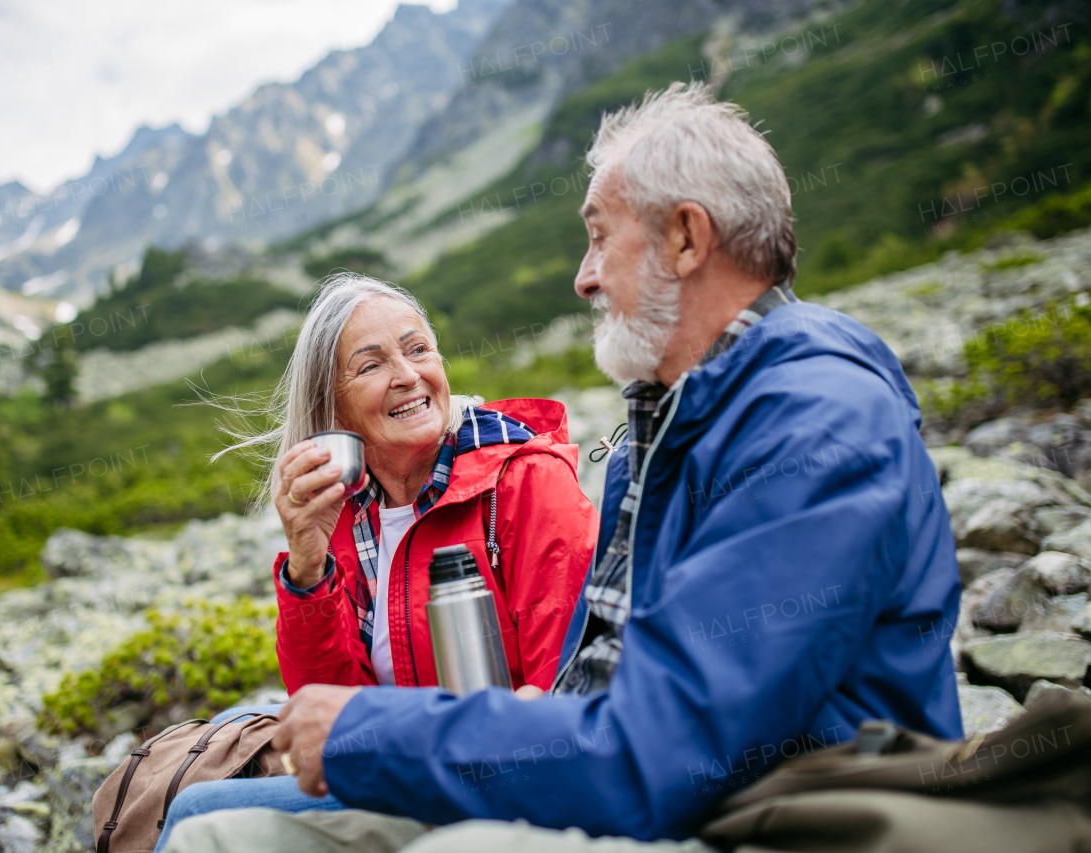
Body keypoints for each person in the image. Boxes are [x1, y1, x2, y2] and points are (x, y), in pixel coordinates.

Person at [161, 81, 964, 852]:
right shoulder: (662, 430)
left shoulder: (813, 423)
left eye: (599, 236)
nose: (582, 276)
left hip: (788, 816)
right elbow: (596, 700)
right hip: (632, 780)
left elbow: (660, 751)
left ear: (686, 238)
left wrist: (373, 733)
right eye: (372, 364)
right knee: (208, 830)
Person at [152, 274, 597, 850]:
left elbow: (569, 689)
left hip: (496, 778)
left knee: (194, 809)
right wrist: (307, 570)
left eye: (418, 350)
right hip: (402, 764)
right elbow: (334, 709)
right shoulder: (346, 511)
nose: (408, 376)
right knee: (225, 730)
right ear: (329, 405)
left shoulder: (526, 483)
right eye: (371, 366)